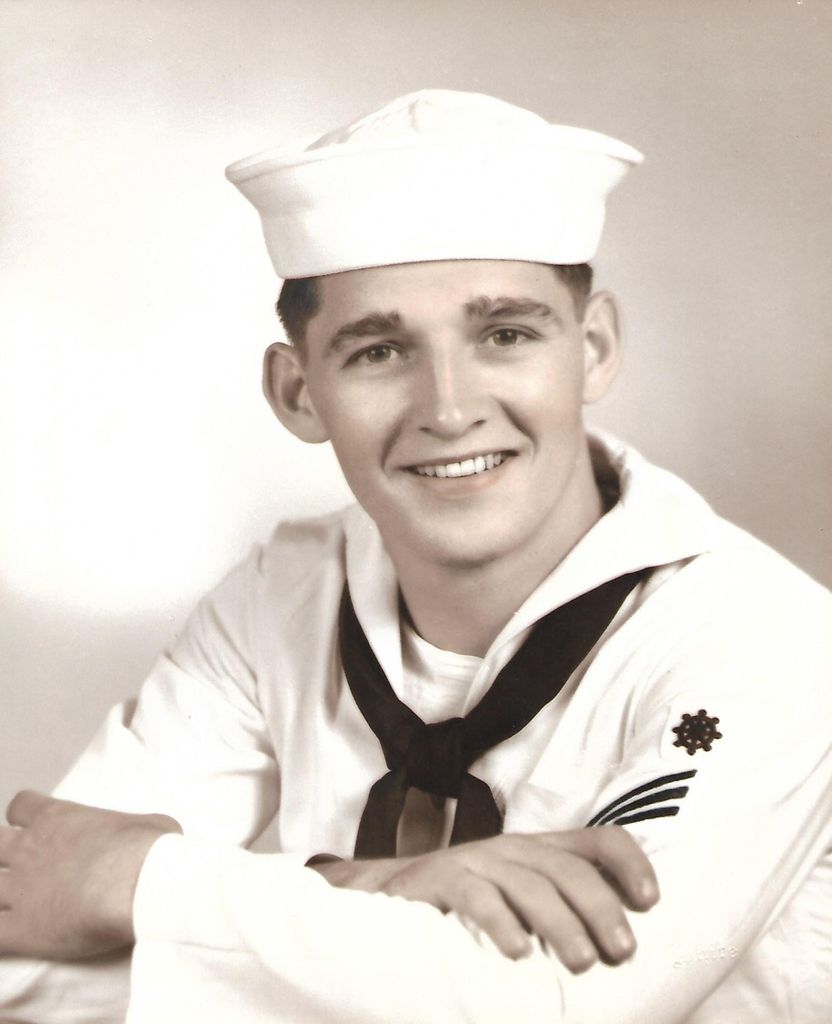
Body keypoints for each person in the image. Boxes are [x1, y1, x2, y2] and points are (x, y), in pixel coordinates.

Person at [0, 89, 830, 1024]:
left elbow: (559, 1004)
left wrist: (150, 889)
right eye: (380, 352)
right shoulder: (279, 602)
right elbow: (23, 932)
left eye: (505, 336)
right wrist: (374, 887)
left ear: (593, 349)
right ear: (297, 393)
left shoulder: (764, 642)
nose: (449, 408)